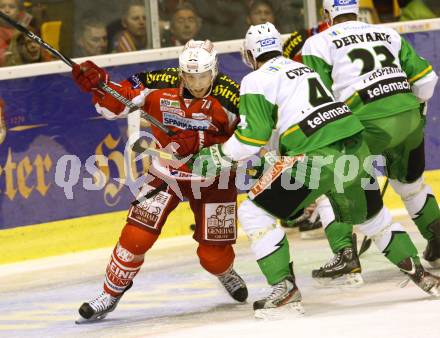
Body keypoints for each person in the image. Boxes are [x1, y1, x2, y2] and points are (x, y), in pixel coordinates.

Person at [190, 22, 440, 318]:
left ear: (249, 54)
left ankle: (285, 292)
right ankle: (424, 279)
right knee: (374, 218)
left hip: (315, 155)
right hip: (353, 147)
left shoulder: (256, 79)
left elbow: (251, 137)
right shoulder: (302, 70)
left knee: (253, 212)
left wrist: (214, 157)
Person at [71, 39, 248, 323]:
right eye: (190, 76)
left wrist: (205, 140)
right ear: (180, 72)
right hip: (167, 173)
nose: (196, 82)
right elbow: (115, 105)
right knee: (136, 236)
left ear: (214, 71)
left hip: (215, 176)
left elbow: (249, 139)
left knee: (212, 257)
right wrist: (100, 85)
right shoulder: (158, 81)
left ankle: (224, 272)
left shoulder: (233, 96)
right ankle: (109, 293)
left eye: (203, 76)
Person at [301, 0, 440, 282]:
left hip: (365, 124)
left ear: (327, 15)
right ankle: (437, 239)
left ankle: (345, 253)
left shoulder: (317, 43)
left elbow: (320, 100)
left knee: (336, 183)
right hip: (408, 120)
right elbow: (426, 81)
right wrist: (415, 108)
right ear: (356, 10)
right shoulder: (389, 34)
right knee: (411, 186)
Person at [0, 0, 32, 66]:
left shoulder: (26, 30)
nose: (6, 11)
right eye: (2, 7)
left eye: (11, 7)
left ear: (19, 12)